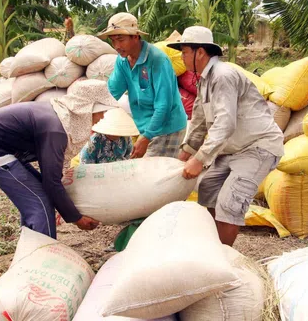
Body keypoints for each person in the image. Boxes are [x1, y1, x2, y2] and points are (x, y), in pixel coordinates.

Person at [168, 26, 284, 246]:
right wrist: (186, 152)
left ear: (200, 52)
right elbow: (200, 121)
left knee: (229, 202)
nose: (181, 57)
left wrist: (199, 159)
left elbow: (225, 123)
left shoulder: (223, 76)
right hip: (232, 149)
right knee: (208, 188)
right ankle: (214, 245)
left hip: (257, 147)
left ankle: (223, 257)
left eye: (184, 52)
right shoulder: (204, 80)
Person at [0, 80, 117, 239]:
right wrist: (76, 218)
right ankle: (43, 254)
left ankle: (31, 245)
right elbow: (51, 182)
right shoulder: (55, 131)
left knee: (37, 194)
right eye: (101, 111)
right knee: (39, 202)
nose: (102, 116)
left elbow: (51, 180)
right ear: (86, 110)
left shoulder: (59, 116)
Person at [98, 12, 187, 159]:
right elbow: (111, 92)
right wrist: (96, 116)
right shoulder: (123, 61)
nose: (117, 46)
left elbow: (163, 105)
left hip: (168, 127)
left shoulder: (158, 60)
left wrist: (146, 136)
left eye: (121, 40)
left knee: (153, 176)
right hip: (144, 126)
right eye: (113, 41)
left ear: (135, 36)